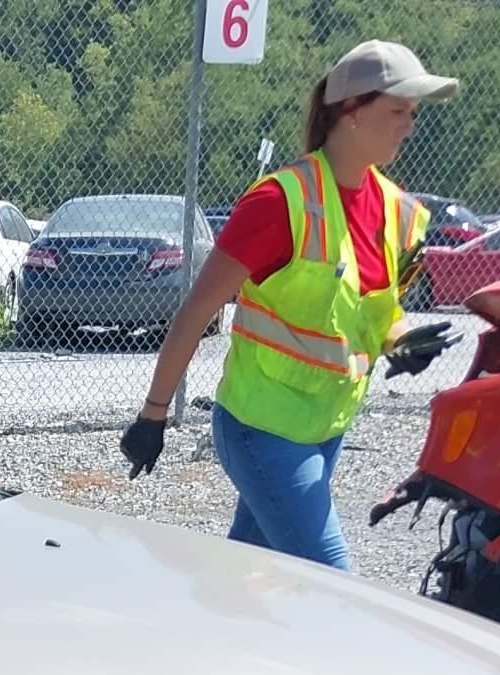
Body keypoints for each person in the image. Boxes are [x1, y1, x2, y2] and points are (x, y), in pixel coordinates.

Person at [119, 40, 462, 569]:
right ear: (349, 113)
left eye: (412, 113)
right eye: (397, 111)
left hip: (327, 428)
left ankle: (193, 643)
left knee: (247, 584)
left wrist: (398, 340)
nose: (409, 125)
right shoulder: (278, 203)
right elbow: (196, 313)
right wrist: (154, 415)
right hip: (261, 429)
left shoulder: (400, 212)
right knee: (331, 587)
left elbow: (376, 308)